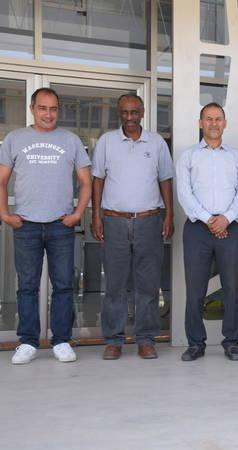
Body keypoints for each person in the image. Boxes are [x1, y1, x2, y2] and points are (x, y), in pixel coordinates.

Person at [0, 87, 91, 364]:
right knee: (26, 286)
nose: (48, 114)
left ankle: (61, 340)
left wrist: (78, 214)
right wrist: (5, 214)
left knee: (63, 286)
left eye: (53, 109)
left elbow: (86, 182)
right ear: (32, 109)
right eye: (42, 108)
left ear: (58, 110)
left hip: (60, 225)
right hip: (25, 224)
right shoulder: (15, 139)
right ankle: (27, 341)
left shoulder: (71, 140)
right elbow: (1, 180)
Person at [91, 94, 174, 360]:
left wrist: (168, 215)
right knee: (115, 285)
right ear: (119, 113)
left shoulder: (157, 142)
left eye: (134, 112)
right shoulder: (106, 141)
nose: (129, 118)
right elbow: (97, 181)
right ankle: (114, 340)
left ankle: (145, 339)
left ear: (142, 111)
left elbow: (165, 180)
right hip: (114, 221)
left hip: (149, 220)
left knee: (148, 285)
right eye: (125, 113)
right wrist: (96, 216)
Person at [176, 102, 238, 362]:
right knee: (195, 289)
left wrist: (226, 218)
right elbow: (185, 194)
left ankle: (232, 341)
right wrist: (210, 220)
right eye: (209, 119)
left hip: (230, 227)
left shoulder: (236, 157)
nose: (214, 123)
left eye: (218, 119)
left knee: (232, 288)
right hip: (198, 228)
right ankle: (196, 343)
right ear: (200, 123)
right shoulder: (189, 156)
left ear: (225, 123)